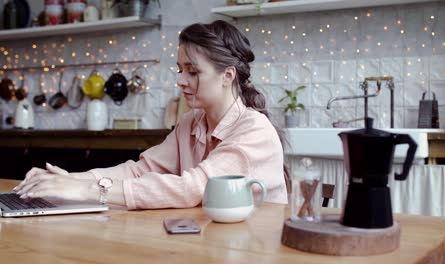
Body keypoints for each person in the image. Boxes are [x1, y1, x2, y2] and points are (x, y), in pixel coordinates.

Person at [13, 20, 288, 209]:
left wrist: (88, 191)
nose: (181, 80)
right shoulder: (191, 122)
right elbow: (139, 170)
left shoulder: (254, 131)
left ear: (227, 76)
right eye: (180, 70)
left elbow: (195, 187)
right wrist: (71, 179)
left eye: (193, 71)